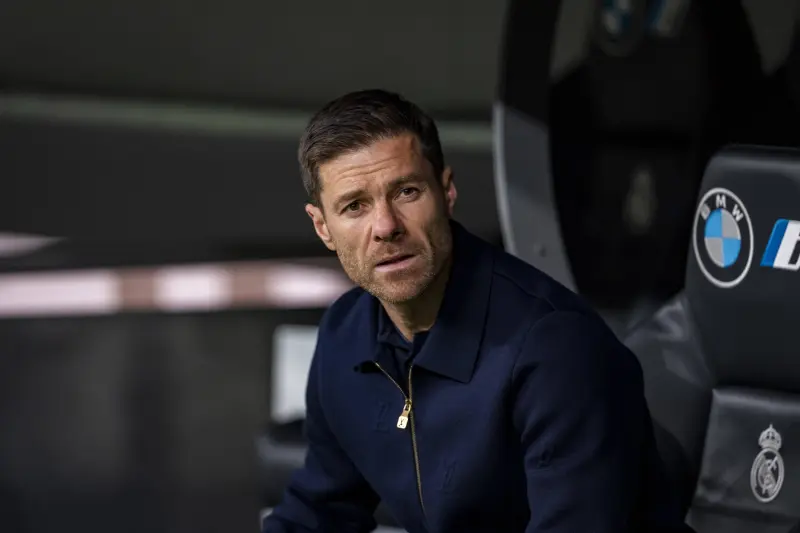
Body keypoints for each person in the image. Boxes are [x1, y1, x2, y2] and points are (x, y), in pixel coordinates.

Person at [262, 89, 692, 533]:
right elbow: (317, 513)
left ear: (446, 191)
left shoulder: (555, 347)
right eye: (355, 206)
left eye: (407, 192)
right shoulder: (344, 335)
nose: (386, 226)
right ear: (322, 227)